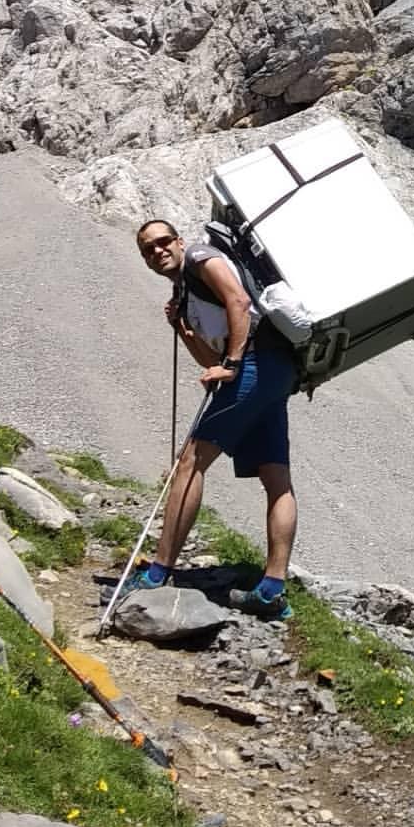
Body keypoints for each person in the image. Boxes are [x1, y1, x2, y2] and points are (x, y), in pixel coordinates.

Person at [124, 218, 298, 620]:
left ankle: (157, 573)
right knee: (275, 476)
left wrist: (234, 365)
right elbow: (209, 361)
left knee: (190, 462)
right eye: (147, 249)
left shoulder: (202, 257)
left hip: (254, 364)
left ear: (179, 241)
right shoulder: (185, 291)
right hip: (274, 370)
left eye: (162, 242)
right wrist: (182, 328)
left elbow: (238, 302)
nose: (157, 251)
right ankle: (272, 589)